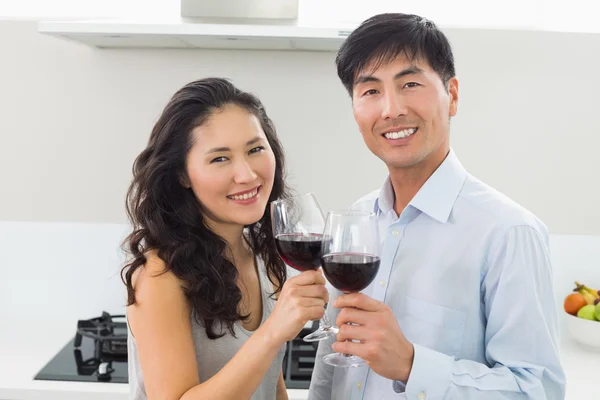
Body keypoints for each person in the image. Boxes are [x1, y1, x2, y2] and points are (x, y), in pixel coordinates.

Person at [308, 13, 565, 400]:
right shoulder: (356, 220)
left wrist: (412, 365)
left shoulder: (509, 233)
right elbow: (333, 363)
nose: (390, 109)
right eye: (370, 91)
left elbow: (537, 390)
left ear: (453, 96)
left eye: (410, 84)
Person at [121, 77, 329, 400]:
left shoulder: (265, 257)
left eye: (255, 149)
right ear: (181, 175)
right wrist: (274, 332)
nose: (246, 174)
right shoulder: (160, 275)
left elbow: (269, 381)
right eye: (220, 158)